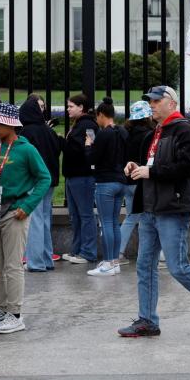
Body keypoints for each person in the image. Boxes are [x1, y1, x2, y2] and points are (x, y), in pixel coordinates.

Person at [117, 85, 190, 338]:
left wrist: (151, 171)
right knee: (144, 265)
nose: (152, 104)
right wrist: (137, 166)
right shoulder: (153, 133)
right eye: (151, 101)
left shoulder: (185, 131)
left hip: (172, 207)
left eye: (157, 100)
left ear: (172, 103)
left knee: (177, 266)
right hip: (150, 208)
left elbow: (188, 167)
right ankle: (147, 320)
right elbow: (151, 165)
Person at [0, 103, 52, 333]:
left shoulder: (27, 149)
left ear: (10, 124)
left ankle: (15, 314)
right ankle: (1, 309)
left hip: (16, 212)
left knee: (13, 265)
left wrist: (28, 205)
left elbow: (45, 178)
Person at [86, 97, 130, 276]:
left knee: (106, 223)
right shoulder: (122, 132)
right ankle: (115, 262)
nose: (97, 120)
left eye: (97, 117)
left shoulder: (104, 133)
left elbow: (92, 158)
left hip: (105, 182)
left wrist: (88, 146)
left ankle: (109, 263)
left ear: (102, 115)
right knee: (114, 222)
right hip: (121, 180)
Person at [22, 94, 63, 272]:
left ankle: (36, 262)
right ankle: (47, 259)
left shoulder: (26, 132)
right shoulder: (49, 131)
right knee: (45, 219)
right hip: (50, 180)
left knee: (35, 221)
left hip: (34, 181)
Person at [61, 94, 99, 264]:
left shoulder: (88, 125)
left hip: (83, 176)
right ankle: (77, 250)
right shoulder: (78, 124)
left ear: (81, 107)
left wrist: (65, 143)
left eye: (71, 106)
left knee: (85, 215)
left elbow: (89, 147)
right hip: (73, 175)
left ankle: (88, 252)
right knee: (75, 216)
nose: (68, 109)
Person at [118, 101, 155, 263]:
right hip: (142, 179)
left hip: (127, 178)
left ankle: (118, 252)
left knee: (131, 217)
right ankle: (154, 255)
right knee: (150, 218)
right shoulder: (151, 134)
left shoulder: (125, 132)